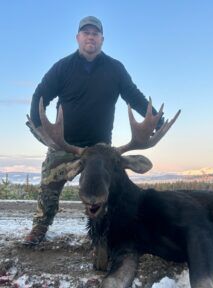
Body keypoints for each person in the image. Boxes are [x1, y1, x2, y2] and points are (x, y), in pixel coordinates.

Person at [23, 16, 164, 245]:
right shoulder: (62, 67)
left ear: (102, 39)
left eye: (95, 33)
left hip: (99, 148)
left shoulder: (115, 69)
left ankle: (107, 231)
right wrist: (42, 131)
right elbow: (40, 95)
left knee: (111, 188)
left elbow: (133, 95)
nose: (91, 37)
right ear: (78, 37)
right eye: (86, 33)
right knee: (50, 183)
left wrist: (156, 119)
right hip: (65, 143)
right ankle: (40, 226)